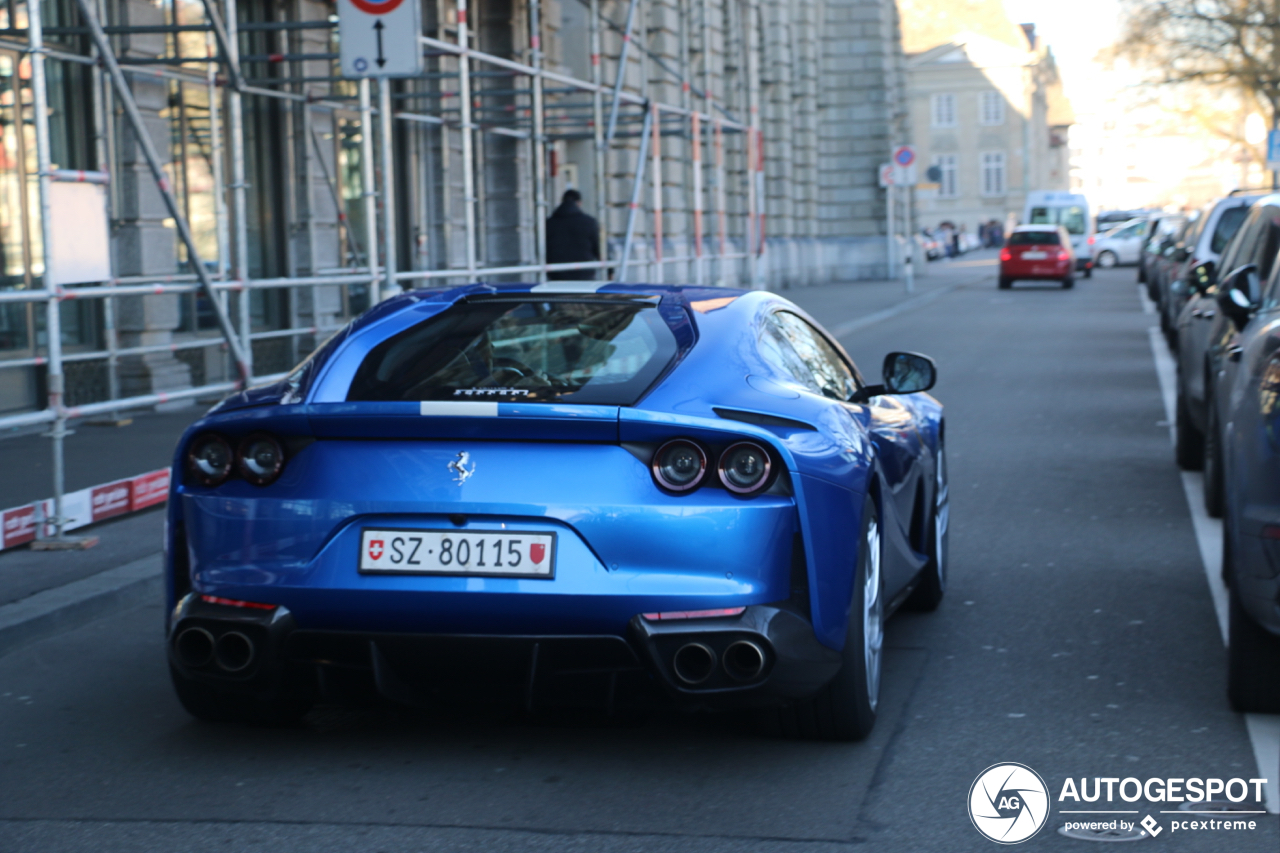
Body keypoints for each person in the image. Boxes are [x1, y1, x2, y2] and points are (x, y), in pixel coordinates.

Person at [545, 189, 600, 280]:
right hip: (584, 273)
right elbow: (598, 248)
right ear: (579, 203)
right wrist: (610, 270)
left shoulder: (549, 223)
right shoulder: (589, 222)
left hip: (557, 274)